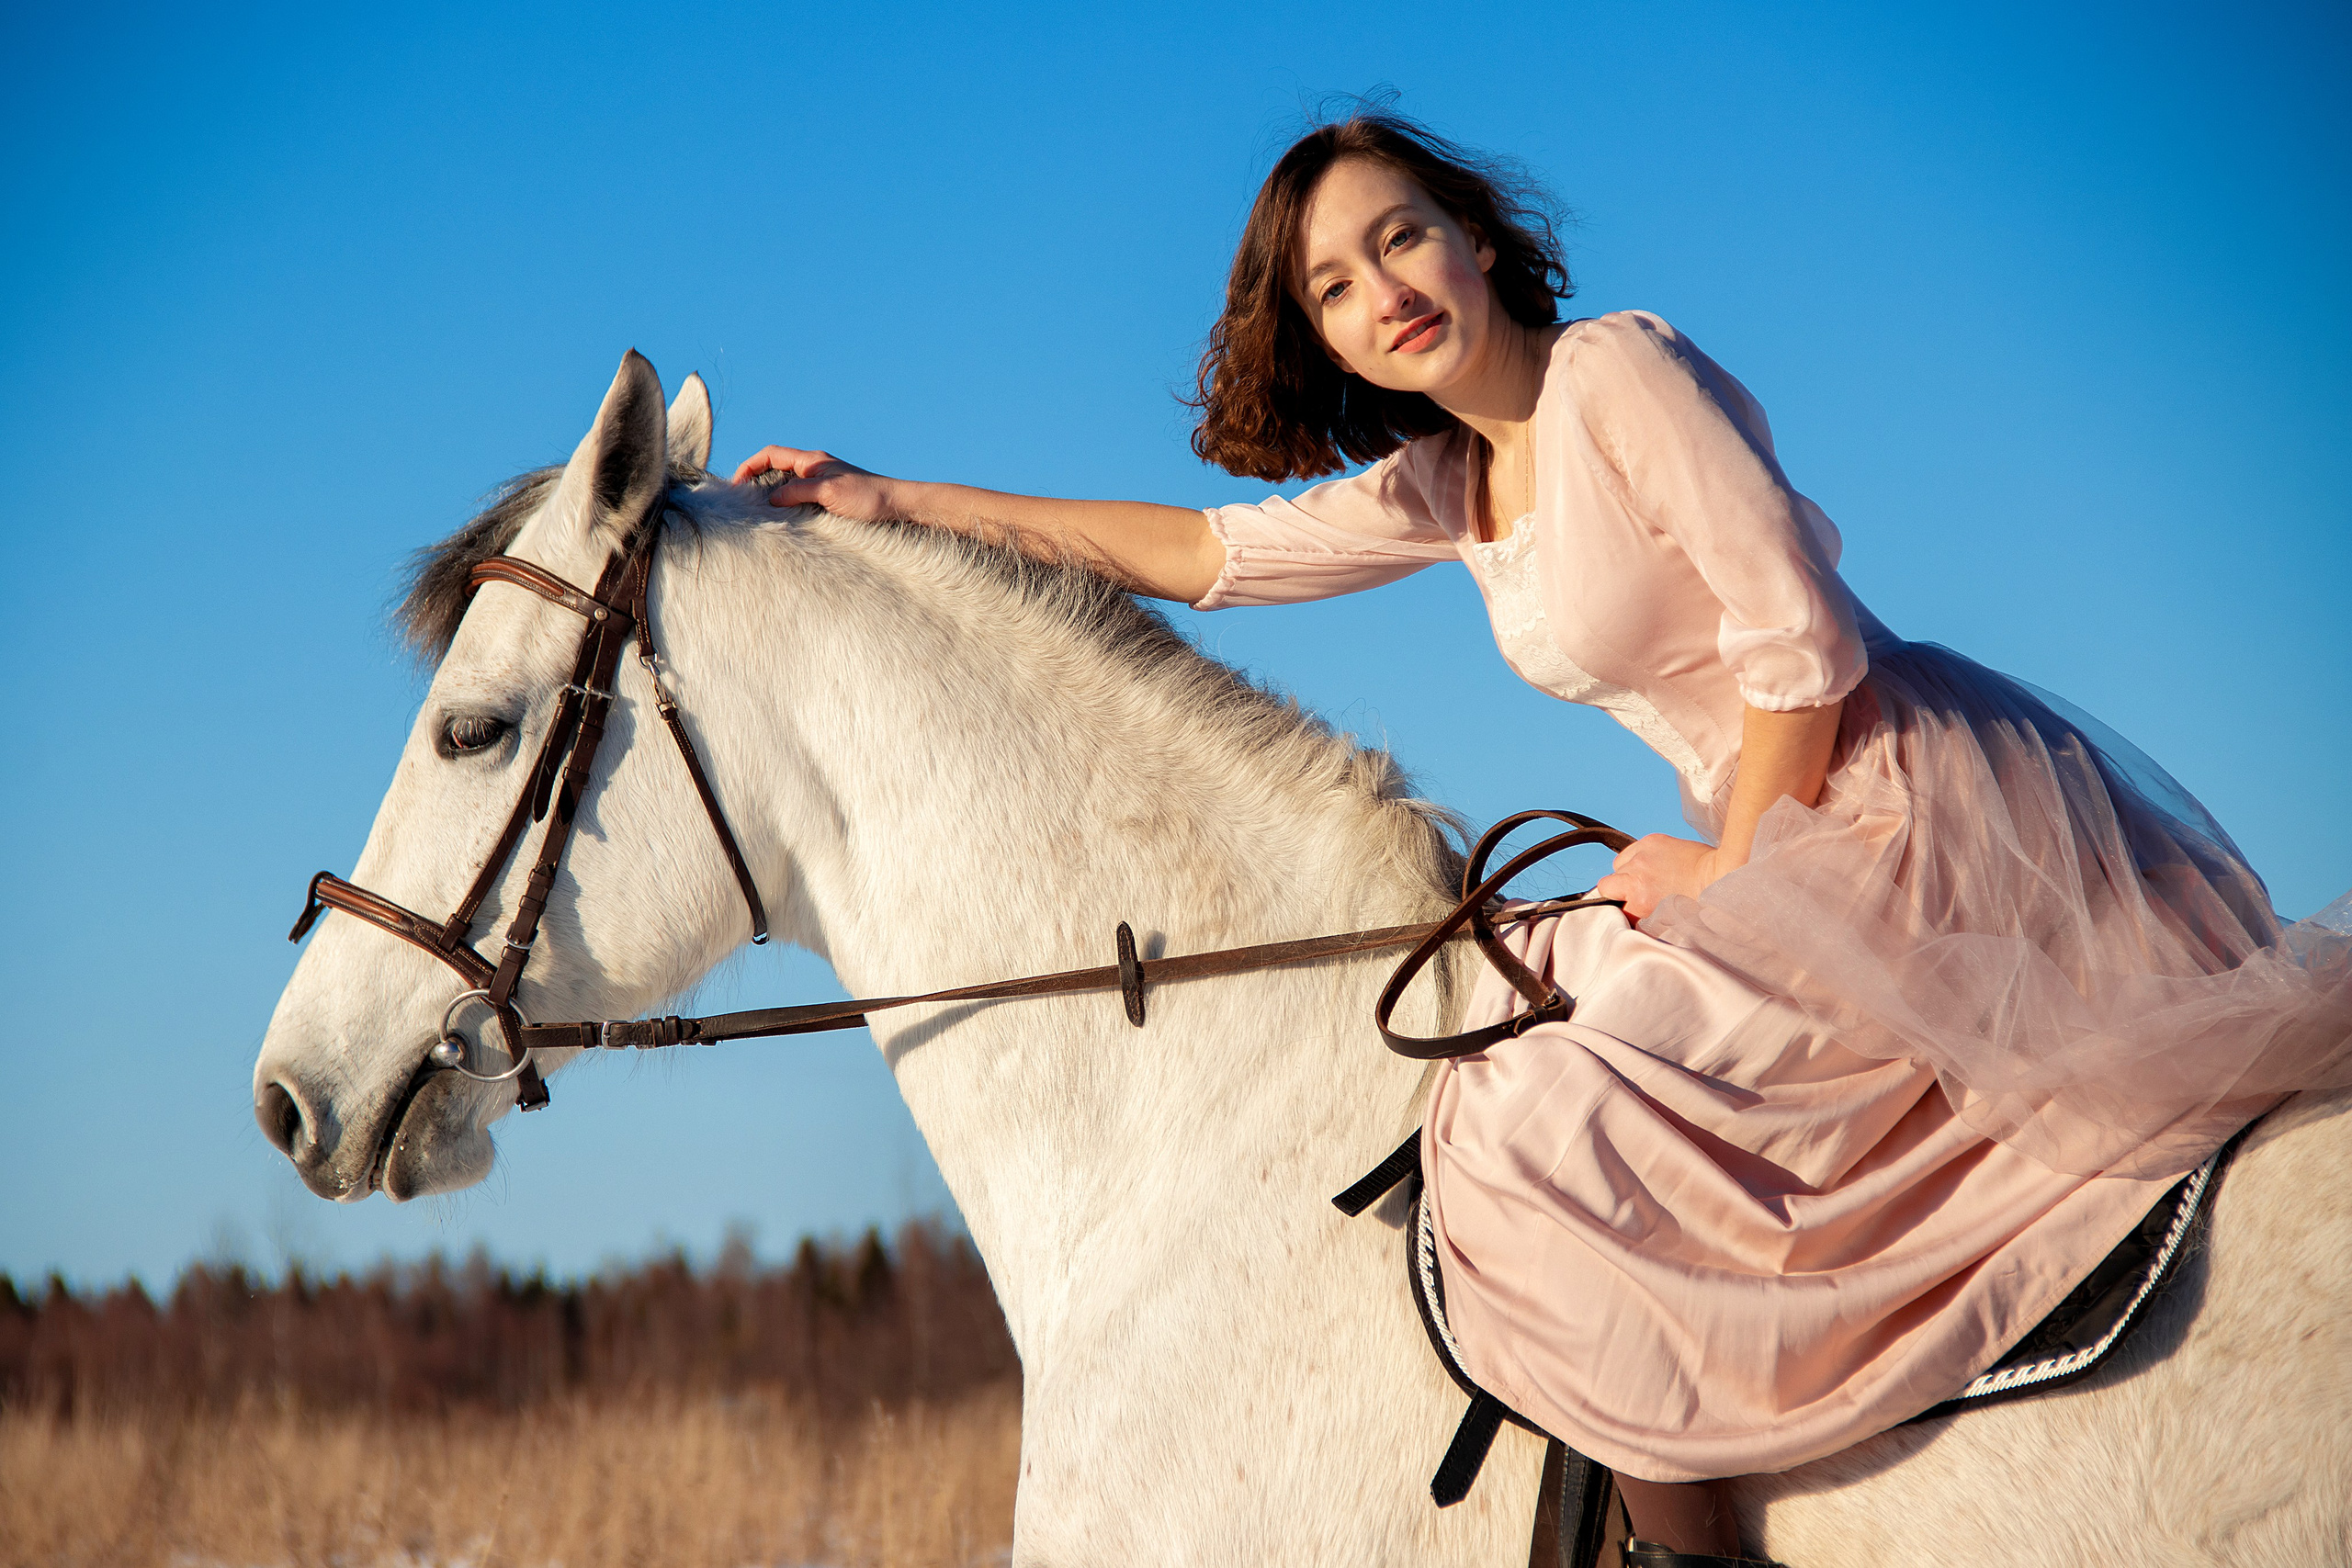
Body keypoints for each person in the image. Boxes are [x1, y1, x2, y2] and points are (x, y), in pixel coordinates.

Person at [732, 111, 2352, 1565]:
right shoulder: (1452, 484)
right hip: (1764, 832)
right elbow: (1200, 552)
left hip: (1880, 800)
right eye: (1335, 288)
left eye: (1400, 236)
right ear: (1330, 341)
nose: (1384, 291)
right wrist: (897, 500)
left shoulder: (1616, 377)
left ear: (1478, 236)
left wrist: (1729, 868)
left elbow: (1798, 639)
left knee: (1546, 1099)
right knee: (1512, 1052)